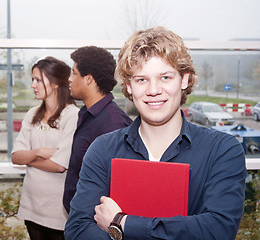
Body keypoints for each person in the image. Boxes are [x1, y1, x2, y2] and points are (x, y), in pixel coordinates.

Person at [64, 26, 247, 240]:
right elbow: (77, 230)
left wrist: (122, 223)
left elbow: (217, 230)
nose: (153, 90)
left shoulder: (222, 150)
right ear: (129, 87)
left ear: (184, 80)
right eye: (141, 79)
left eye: (165, 78)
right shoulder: (103, 149)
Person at [11, 56, 79, 240]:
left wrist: (30, 159)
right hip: (31, 207)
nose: (33, 85)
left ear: (56, 83)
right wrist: (39, 152)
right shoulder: (32, 113)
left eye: (38, 80)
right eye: (33, 79)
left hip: (58, 211)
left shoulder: (72, 115)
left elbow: (59, 165)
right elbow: (16, 156)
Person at [63, 46, 133, 214]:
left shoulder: (113, 124)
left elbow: (117, 188)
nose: (69, 79)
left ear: (88, 79)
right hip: (80, 217)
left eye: (74, 73)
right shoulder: (87, 114)